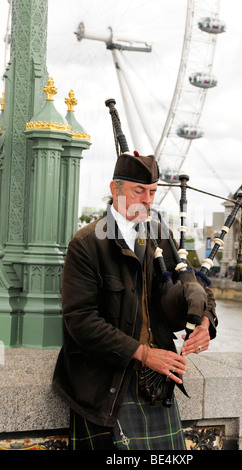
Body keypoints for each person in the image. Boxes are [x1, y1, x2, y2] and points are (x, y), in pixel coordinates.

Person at [53, 152, 217, 450]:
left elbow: (194, 284)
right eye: (138, 190)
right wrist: (143, 353)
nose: (147, 199)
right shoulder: (87, 243)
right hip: (104, 385)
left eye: (152, 192)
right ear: (115, 189)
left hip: (155, 381)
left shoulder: (159, 234)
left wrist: (206, 321)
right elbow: (80, 320)